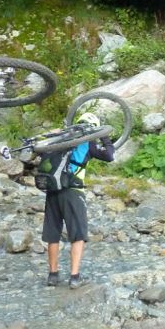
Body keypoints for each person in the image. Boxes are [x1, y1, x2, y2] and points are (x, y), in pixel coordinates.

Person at [42, 113, 115, 289]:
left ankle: (53, 275)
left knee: (53, 234)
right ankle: (74, 277)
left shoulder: (61, 139)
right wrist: (104, 138)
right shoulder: (87, 142)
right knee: (78, 234)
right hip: (73, 191)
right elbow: (109, 156)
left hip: (53, 191)